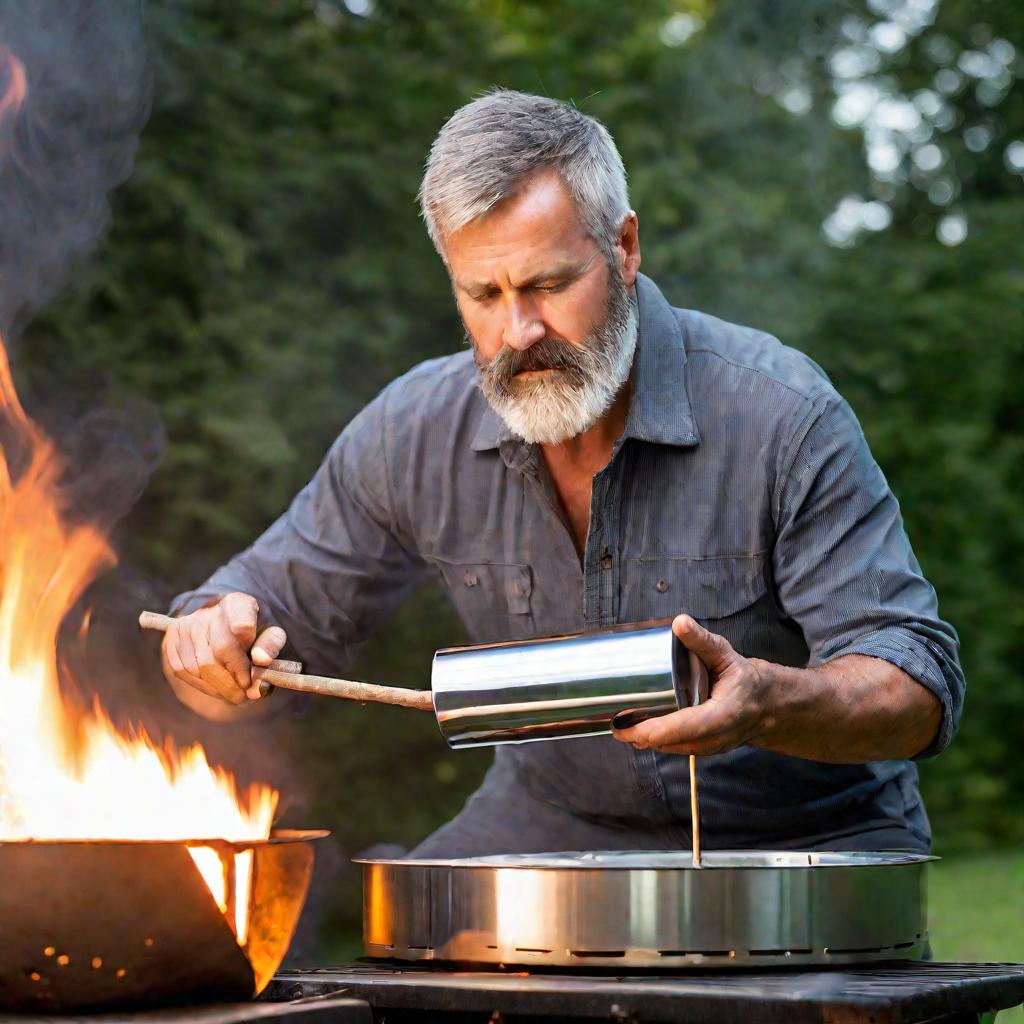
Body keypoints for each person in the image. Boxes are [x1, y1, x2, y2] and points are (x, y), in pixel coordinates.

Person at [163, 90, 964, 855]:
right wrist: (205, 647)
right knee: (395, 966)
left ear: (622, 247)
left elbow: (916, 690)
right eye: (484, 293)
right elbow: (240, 629)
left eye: (549, 284)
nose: (519, 330)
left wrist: (765, 704)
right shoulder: (411, 430)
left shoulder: (782, 415)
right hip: (549, 825)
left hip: (808, 839)